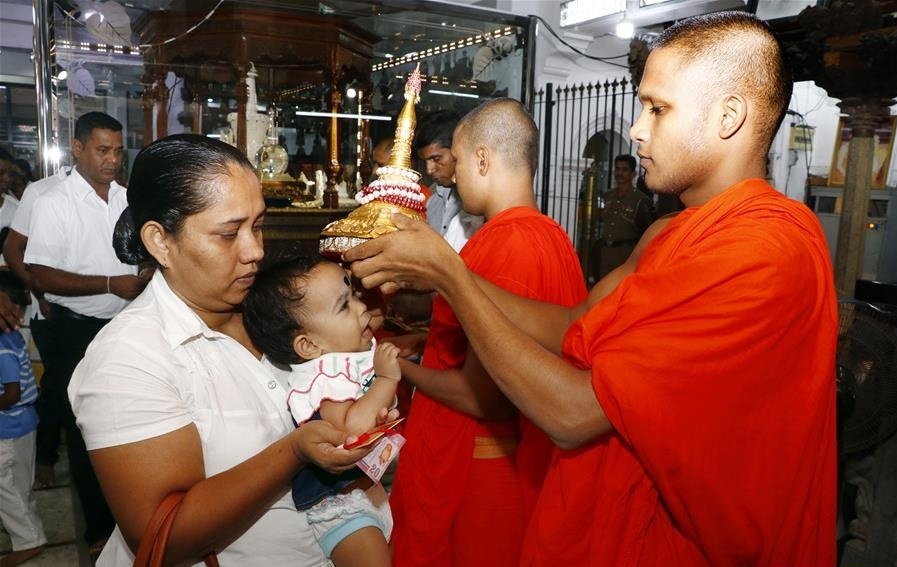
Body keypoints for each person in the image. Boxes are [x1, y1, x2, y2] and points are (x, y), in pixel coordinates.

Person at [346, 11, 837, 566]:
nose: (636, 128)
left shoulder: (763, 248)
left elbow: (574, 415)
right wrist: (444, 274)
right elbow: (573, 324)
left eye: (658, 108)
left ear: (728, 115)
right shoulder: (665, 234)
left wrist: (451, 277)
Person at [68, 133, 391, 567]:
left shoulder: (272, 309)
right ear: (160, 241)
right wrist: (295, 451)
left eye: (257, 226)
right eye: (228, 234)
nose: (255, 251)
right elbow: (164, 537)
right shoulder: (128, 358)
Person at [387, 98, 587, 567]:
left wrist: (398, 367)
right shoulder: (552, 235)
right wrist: (426, 343)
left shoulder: (505, 243)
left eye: (457, 161)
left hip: (478, 469)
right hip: (511, 465)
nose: (452, 176)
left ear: (482, 159)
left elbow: (483, 396)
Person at [23, 111, 148, 558]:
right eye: (102, 150)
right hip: (76, 331)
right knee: (85, 430)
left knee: (130, 421)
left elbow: (139, 254)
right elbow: (39, 273)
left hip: (126, 324)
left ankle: (132, 517)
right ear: (77, 149)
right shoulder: (55, 202)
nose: (113, 160)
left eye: (118, 151)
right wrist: (110, 284)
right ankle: (98, 528)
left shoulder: (126, 198)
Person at [243, 254, 399, 567]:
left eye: (353, 294)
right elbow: (351, 431)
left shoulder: (341, 353)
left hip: (365, 491)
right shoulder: (324, 377)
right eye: (344, 306)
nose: (360, 307)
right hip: (342, 507)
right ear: (309, 346)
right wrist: (386, 379)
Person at [3, 162, 71, 490]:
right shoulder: (42, 193)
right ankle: (45, 456)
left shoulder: (113, 195)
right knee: (57, 387)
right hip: (47, 313)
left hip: (91, 312)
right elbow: (14, 249)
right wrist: (38, 291)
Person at [0, 271, 46, 567]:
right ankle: (27, 527)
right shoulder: (13, 337)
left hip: (9, 428)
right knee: (20, 484)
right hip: (25, 424)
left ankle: (29, 540)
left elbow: (12, 394)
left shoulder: (2, 346)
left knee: (6, 486)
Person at [415, 110, 483, 251]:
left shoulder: (479, 203)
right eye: (425, 161)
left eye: (436, 159)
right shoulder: (433, 197)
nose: (429, 170)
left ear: (457, 150)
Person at [591, 154, 653, 281]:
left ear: (633, 174)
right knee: (603, 291)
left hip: (627, 254)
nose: (620, 173)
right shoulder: (608, 196)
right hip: (606, 252)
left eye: (624, 169)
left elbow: (647, 232)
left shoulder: (640, 200)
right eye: (617, 169)